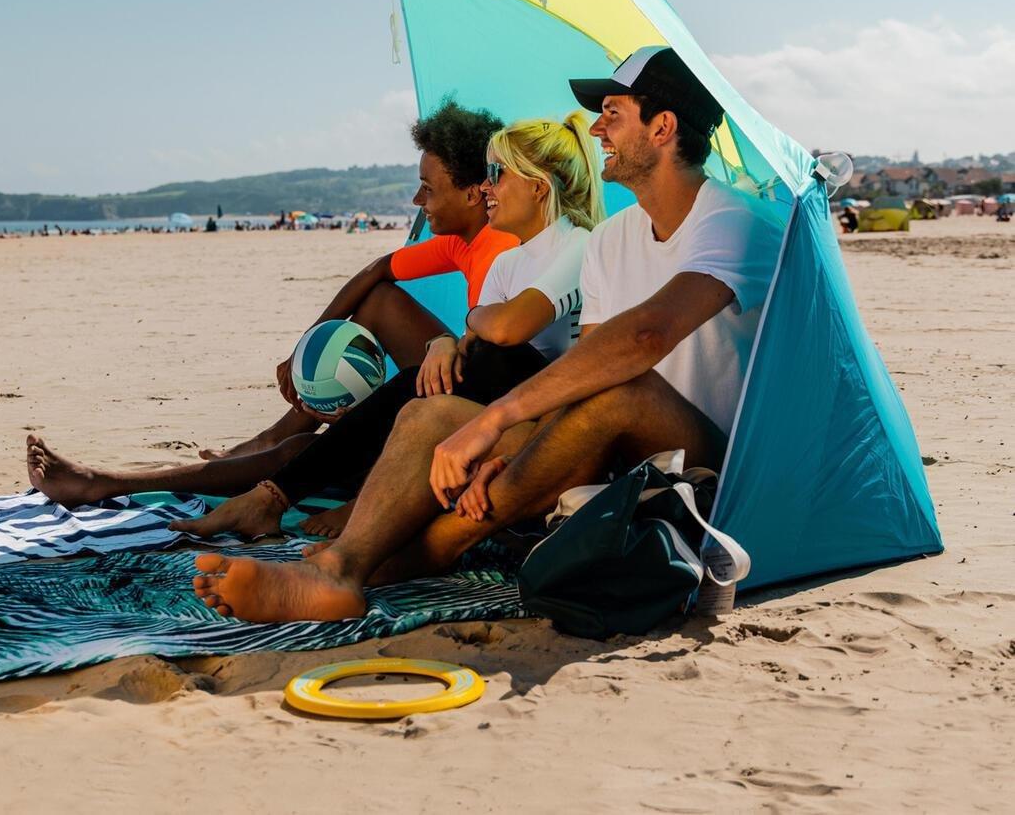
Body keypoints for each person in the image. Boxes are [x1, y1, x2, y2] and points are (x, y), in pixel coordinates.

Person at [189, 46, 785, 623]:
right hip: (616, 451)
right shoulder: (613, 237)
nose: (598, 130)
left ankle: (420, 554)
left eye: (613, 114)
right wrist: (519, 451)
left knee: (620, 389)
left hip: (707, 463)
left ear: (663, 128)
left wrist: (497, 421)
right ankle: (344, 570)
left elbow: (644, 339)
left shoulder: (732, 221)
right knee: (431, 416)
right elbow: (587, 366)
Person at [25, 98, 515, 506]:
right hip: (467, 382)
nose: (415, 201)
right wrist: (306, 348)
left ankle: (107, 483)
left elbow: (493, 371)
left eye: (428, 189)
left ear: (475, 194)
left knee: (303, 453)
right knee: (376, 302)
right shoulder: (465, 239)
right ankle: (274, 433)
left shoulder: (500, 252)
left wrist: (376, 413)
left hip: (478, 417)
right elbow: (377, 272)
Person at [165, 110, 605, 541]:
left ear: (538, 186)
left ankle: (280, 496)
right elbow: (474, 340)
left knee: (493, 356)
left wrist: (468, 328)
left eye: (497, 173)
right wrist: (444, 345)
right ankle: (272, 497)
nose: (487, 186)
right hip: (504, 399)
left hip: (551, 415)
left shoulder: (579, 244)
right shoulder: (510, 262)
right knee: (438, 375)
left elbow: (507, 328)